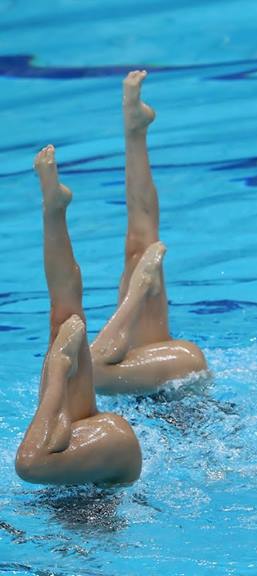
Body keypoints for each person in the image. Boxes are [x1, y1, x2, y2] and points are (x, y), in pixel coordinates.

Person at [16, 146, 142, 486]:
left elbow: (28, 465)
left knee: (63, 334)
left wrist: (58, 371)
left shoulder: (113, 436)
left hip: (105, 472)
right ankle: (53, 210)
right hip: (85, 475)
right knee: (64, 319)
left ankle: (54, 210)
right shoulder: (90, 432)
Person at [90, 71, 207, 393]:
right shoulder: (183, 360)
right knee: (139, 250)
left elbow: (94, 373)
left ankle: (135, 130)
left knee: (140, 253)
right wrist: (139, 289)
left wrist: (138, 293)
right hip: (165, 396)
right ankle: (136, 131)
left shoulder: (186, 361)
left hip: (172, 408)